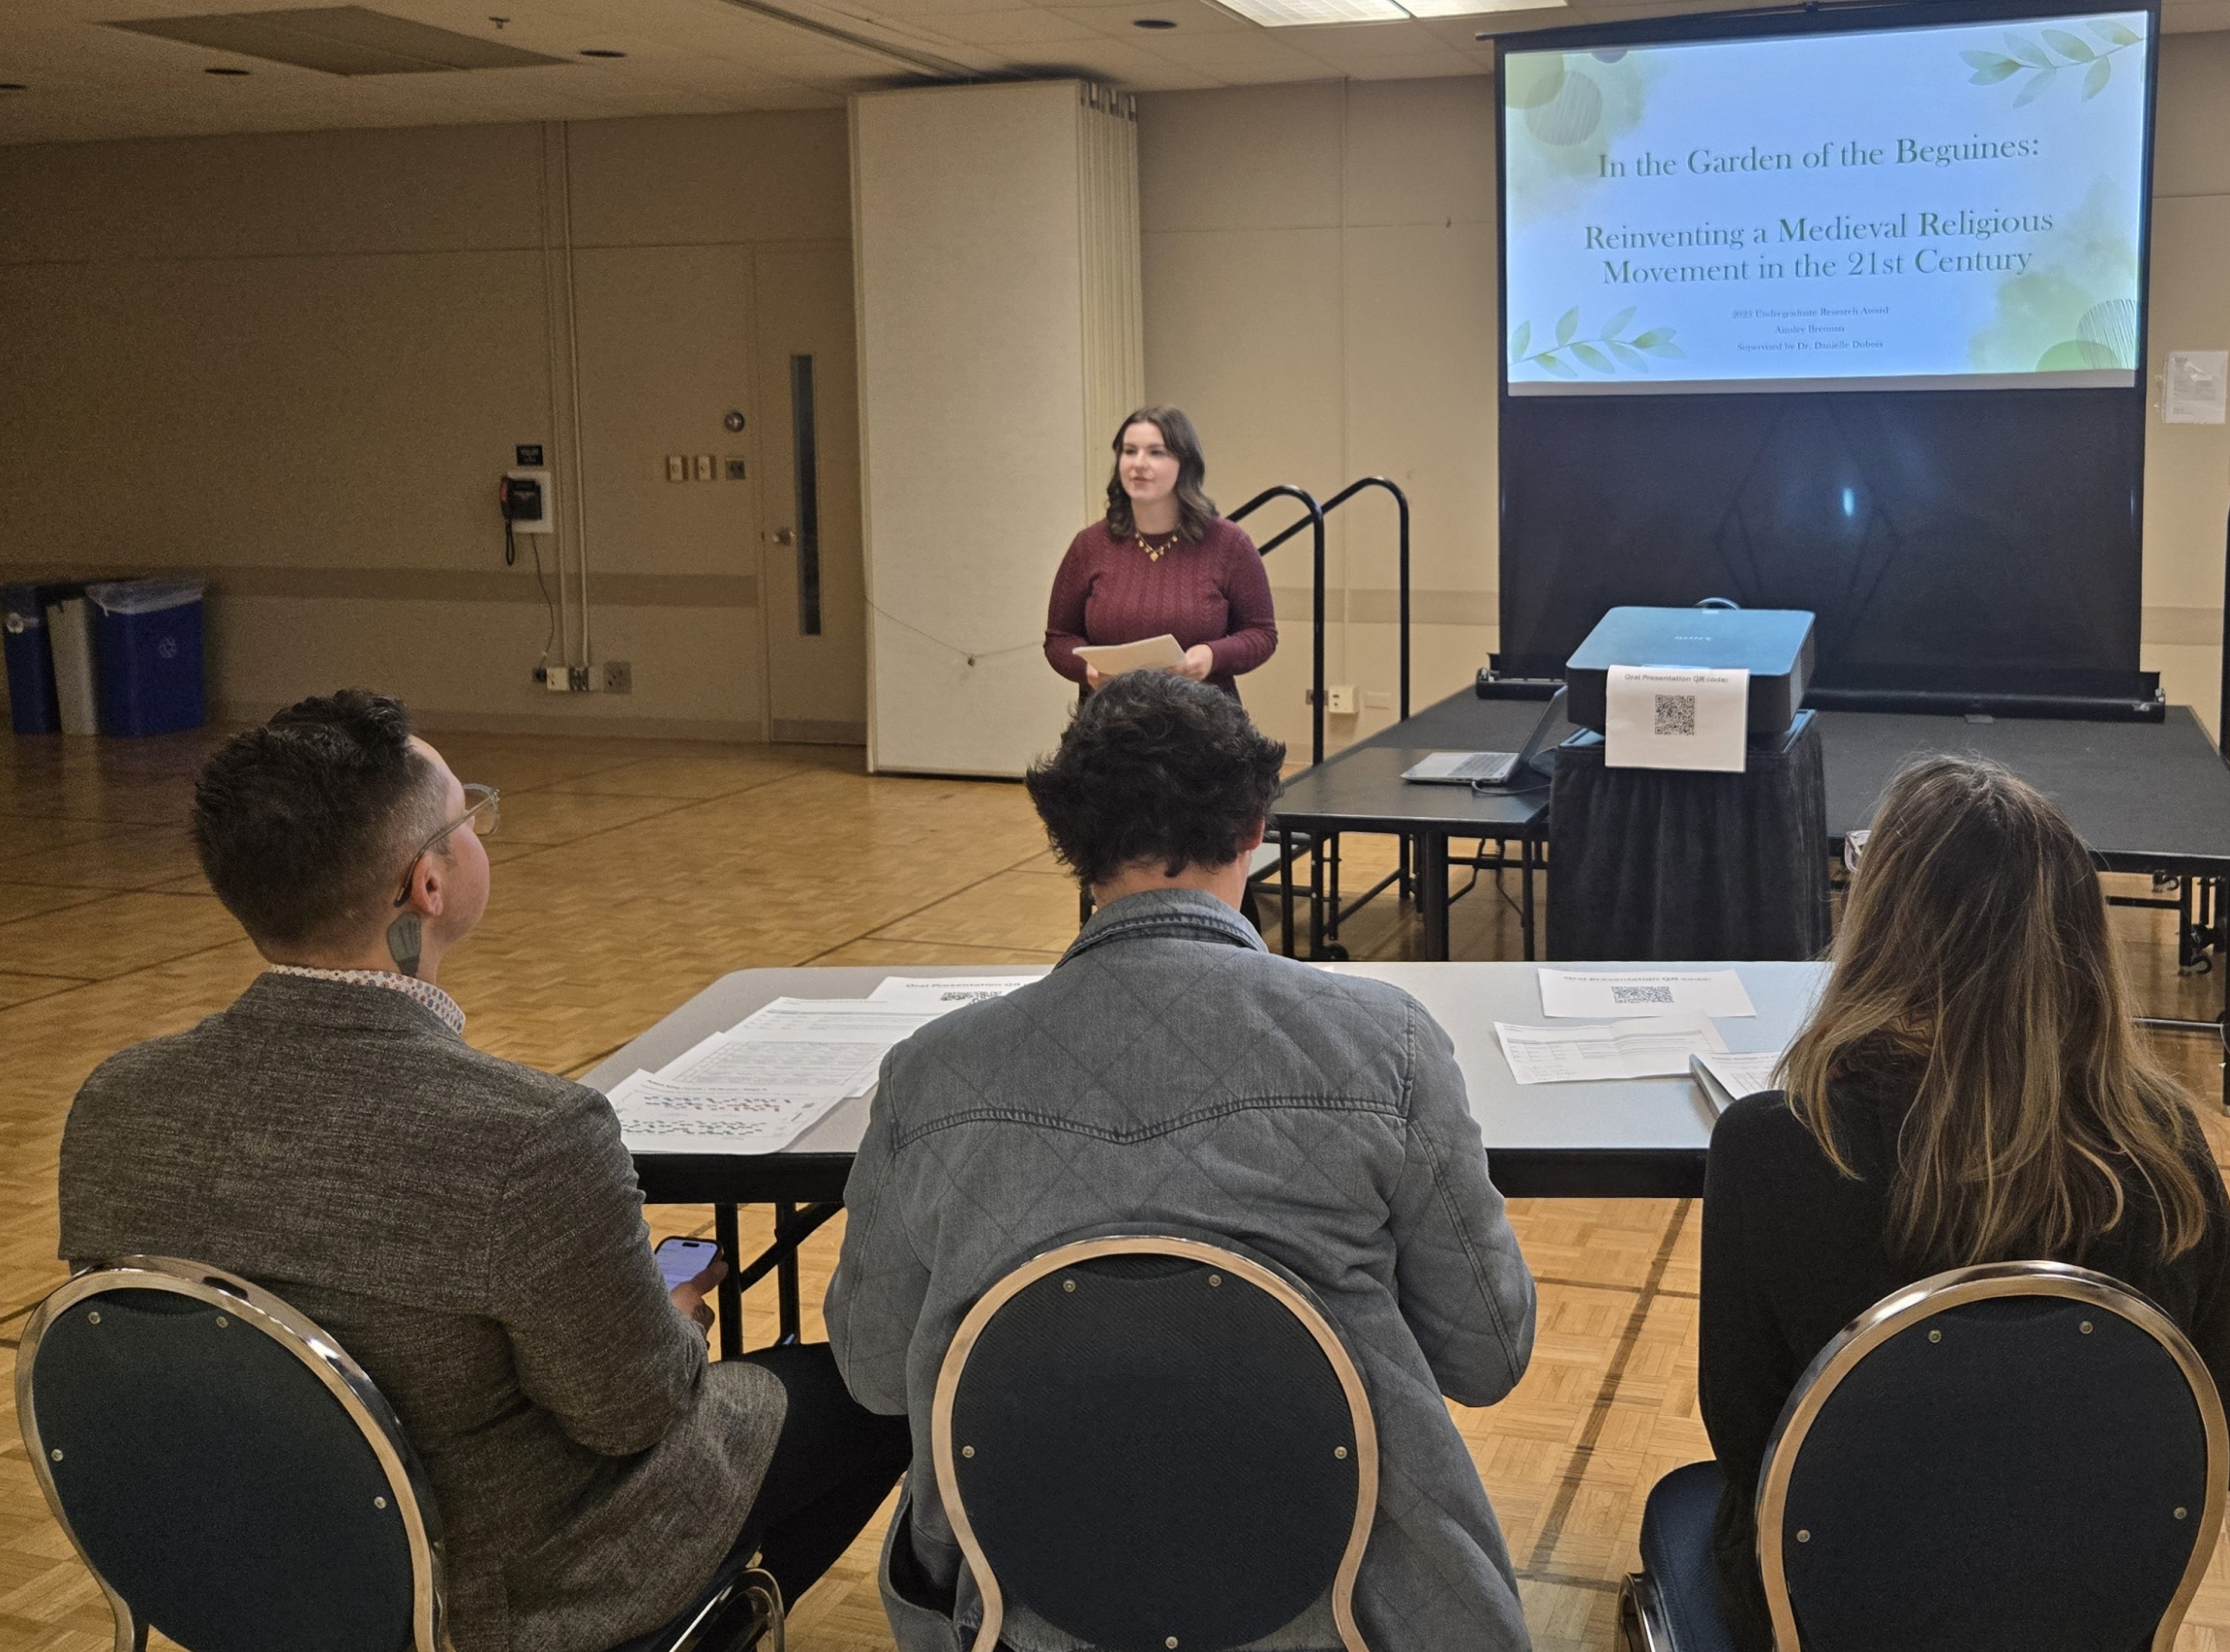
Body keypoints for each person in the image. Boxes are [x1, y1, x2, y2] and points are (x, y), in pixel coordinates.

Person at [54, 690, 910, 1652]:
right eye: (470, 817)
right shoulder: (532, 1136)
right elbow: (634, 1417)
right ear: (428, 884)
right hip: (492, 1590)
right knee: (882, 1378)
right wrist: (672, 1318)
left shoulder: (116, 1103)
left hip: (233, 1562)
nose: (477, 835)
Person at [829, 671, 1537, 1652]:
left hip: (1028, 1609)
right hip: (1354, 1609)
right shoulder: (1388, 1046)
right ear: (1255, 827)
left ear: (1070, 845)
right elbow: (1486, 1356)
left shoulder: (929, 1077)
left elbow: (870, 1373)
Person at [1684, 756, 2230, 1648]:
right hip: (2084, 1613)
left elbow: (1749, 1441)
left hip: (1823, 1607)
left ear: (1878, 927)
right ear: (2080, 943)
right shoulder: (2163, 1151)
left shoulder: (1773, 1146)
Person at [1043, 405, 1278, 700]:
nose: (1138, 464)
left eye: (1156, 453)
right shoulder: (1089, 544)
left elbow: (1261, 633)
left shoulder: (1228, 543)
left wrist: (1211, 655)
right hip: (1109, 723)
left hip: (1204, 722)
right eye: (1130, 452)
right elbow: (1058, 639)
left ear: (1185, 464)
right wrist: (1088, 670)